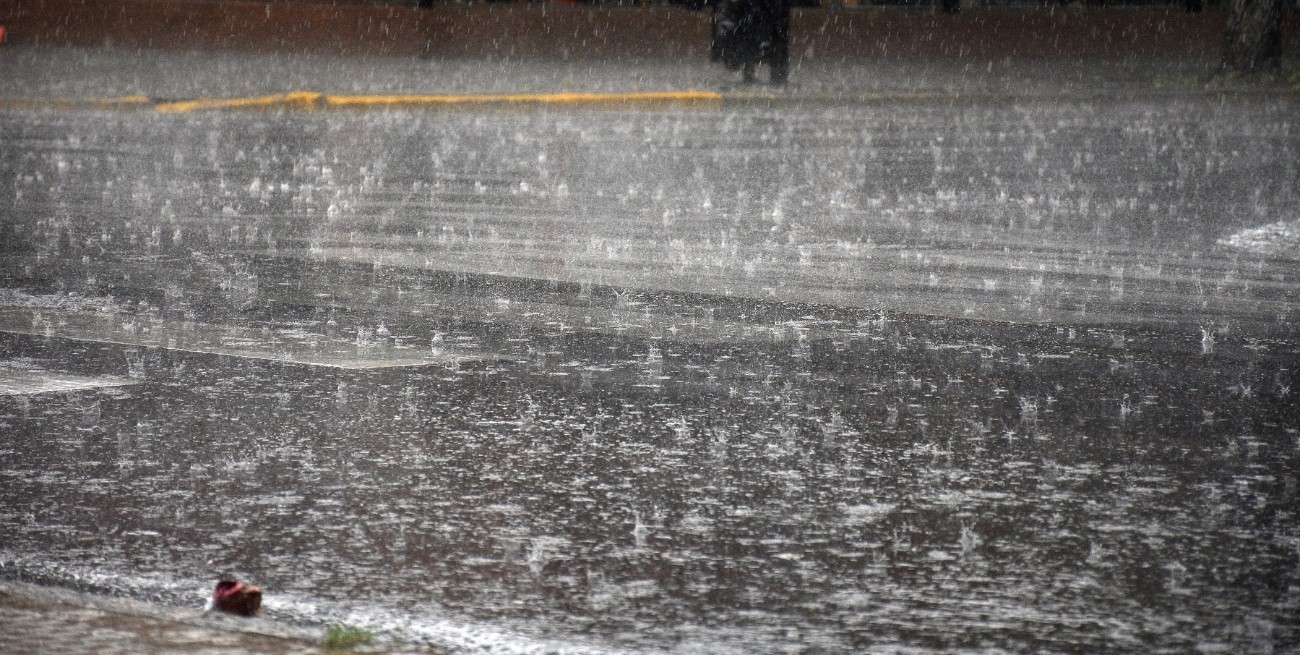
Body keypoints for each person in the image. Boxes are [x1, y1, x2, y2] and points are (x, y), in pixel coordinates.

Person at [712, 0, 790, 85]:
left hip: (760, 27)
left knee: (776, 42)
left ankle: (777, 78)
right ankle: (752, 75)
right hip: (750, 28)